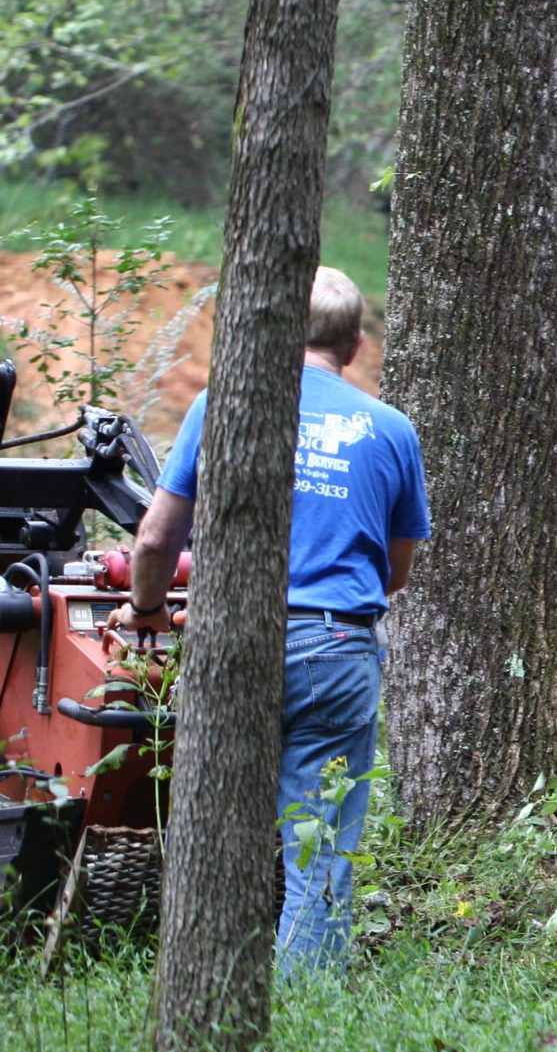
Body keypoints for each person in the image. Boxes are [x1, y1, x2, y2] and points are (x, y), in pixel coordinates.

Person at [112, 266, 432, 973]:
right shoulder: (392, 431)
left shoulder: (222, 405)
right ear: (353, 346)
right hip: (338, 645)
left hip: (234, 640)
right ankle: (306, 1020)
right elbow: (398, 571)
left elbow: (157, 538)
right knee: (317, 847)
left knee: (215, 830)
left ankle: (205, 986)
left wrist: (147, 610)